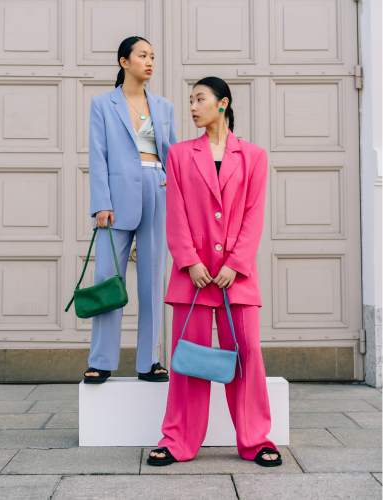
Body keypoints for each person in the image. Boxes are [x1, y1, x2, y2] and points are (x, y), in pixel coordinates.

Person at [146, 77, 282, 467]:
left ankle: (256, 441)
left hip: (236, 277)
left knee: (248, 356)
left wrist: (237, 264)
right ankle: (177, 441)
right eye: (190, 100)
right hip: (194, 275)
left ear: (222, 104)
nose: (191, 106)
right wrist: (190, 261)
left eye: (199, 99)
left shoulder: (254, 156)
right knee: (187, 361)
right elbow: (175, 212)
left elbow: (254, 215)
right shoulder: (179, 154)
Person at [84, 36, 177, 384]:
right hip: (116, 199)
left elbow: (173, 154)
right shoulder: (103, 104)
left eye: (153, 56)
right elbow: (98, 156)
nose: (149, 61)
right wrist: (100, 204)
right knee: (109, 279)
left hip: (157, 189)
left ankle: (148, 361)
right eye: (142, 55)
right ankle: (102, 360)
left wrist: (175, 187)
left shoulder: (163, 106)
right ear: (124, 61)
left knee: (153, 282)